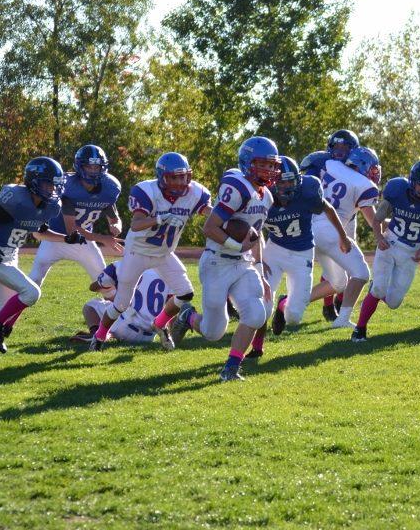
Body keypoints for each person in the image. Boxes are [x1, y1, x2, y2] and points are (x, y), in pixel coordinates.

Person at [168, 137, 280, 381]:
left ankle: (231, 368)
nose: (269, 170)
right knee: (213, 332)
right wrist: (237, 245)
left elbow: (256, 234)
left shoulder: (267, 196)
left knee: (257, 313)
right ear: (248, 163)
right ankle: (187, 316)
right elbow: (210, 228)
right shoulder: (236, 187)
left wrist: (260, 269)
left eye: (272, 165)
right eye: (263, 164)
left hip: (243, 264)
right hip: (217, 261)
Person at [90, 152, 210, 351]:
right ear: (162, 177)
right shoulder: (147, 191)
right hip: (137, 253)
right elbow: (136, 225)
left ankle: (160, 323)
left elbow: (211, 212)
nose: (181, 182)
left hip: (163, 254)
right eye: (174, 177)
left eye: (183, 176)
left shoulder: (194, 192)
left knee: (185, 293)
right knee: (120, 304)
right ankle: (100, 335)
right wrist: (160, 218)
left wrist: (228, 217)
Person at [0, 157, 71, 358]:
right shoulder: (15, 201)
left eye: (54, 184)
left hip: (11, 256)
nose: (52, 189)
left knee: (5, 305)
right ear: (34, 181)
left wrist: (67, 238)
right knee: (32, 293)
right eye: (48, 183)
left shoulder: (47, 206)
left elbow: (39, 231)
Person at [247, 156, 350, 358]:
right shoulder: (262, 197)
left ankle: (283, 304)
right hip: (274, 250)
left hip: (302, 253)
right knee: (262, 303)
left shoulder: (307, 192)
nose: (286, 186)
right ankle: (257, 347)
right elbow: (255, 230)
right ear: (271, 182)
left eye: (290, 181)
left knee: (293, 317)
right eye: (281, 181)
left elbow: (327, 208)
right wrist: (258, 261)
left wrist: (343, 235)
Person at [352, 160, 420, 342]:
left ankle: (376, 290)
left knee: (393, 302)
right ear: (412, 181)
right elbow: (377, 218)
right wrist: (379, 237)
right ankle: (360, 329)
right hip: (390, 243)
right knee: (379, 289)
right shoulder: (397, 190)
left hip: (411, 252)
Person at [29, 144, 123, 287]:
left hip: (83, 241)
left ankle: (114, 309)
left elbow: (115, 219)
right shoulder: (68, 187)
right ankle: (11, 309)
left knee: (105, 283)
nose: (92, 171)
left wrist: (116, 226)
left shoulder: (108, 188)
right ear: (80, 167)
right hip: (55, 238)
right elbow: (72, 230)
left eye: (96, 167)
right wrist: (103, 238)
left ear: (102, 167)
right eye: (89, 167)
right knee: (33, 284)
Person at [308, 146, 381, 328]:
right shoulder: (365, 186)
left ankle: (290, 303)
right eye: (372, 169)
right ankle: (342, 320)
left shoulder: (331, 164)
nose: (374, 174)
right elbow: (374, 222)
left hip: (311, 229)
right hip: (331, 230)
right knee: (362, 273)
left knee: (338, 283)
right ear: (364, 166)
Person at [300, 129, 361, 318]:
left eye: (345, 147)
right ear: (330, 148)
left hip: (349, 218)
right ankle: (328, 305)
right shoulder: (319, 162)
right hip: (324, 218)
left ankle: (337, 302)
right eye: (337, 146)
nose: (341, 151)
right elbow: (307, 187)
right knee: (337, 264)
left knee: (346, 266)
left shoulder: (357, 164)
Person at [83, 261, 171, 345]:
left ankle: (96, 334)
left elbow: (93, 287)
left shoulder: (123, 265)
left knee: (91, 305)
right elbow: (171, 306)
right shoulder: (168, 273)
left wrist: (111, 286)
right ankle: (110, 333)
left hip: (125, 327)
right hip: (149, 337)